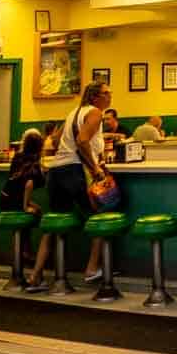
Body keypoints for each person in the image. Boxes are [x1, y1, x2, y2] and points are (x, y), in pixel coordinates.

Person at [48, 82, 113, 283]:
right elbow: (83, 140)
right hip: (75, 171)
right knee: (100, 218)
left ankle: (36, 275)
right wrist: (95, 167)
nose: (110, 96)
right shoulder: (95, 113)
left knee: (53, 223)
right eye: (106, 93)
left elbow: (56, 140)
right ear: (95, 97)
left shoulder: (73, 112)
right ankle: (92, 268)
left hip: (57, 171)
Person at [2, 129, 52, 292]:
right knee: (41, 219)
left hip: (5, 199)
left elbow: (17, 183)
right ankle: (29, 255)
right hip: (17, 202)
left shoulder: (17, 157)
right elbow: (29, 185)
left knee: (32, 215)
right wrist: (26, 206)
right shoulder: (35, 166)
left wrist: (28, 204)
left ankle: (25, 251)